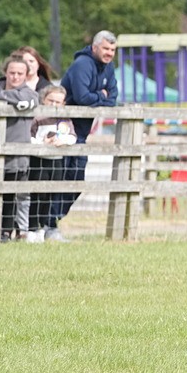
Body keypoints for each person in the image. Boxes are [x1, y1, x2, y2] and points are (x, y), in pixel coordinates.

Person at [58, 30, 118, 221]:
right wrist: (101, 95)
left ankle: (53, 220)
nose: (109, 53)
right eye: (106, 49)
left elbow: (113, 98)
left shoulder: (108, 67)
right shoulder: (82, 64)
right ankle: (47, 222)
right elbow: (81, 97)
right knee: (60, 179)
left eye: (112, 50)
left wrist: (100, 98)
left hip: (82, 134)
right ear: (94, 47)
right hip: (63, 130)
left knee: (77, 180)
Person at [0, 55, 41, 241]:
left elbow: (24, 103)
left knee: (9, 194)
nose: (15, 77)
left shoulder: (30, 94)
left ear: (26, 75)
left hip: (16, 155)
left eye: (20, 73)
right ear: (5, 72)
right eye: (12, 72)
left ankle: (5, 231)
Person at [28, 84, 76, 242]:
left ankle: (42, 229)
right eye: (51, 100)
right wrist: (42, 144)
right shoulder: (37, 117)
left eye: (58, 102)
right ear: (43, 100)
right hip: (39, 161)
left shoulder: (65, 120)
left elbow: (72, 137)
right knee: (37, 195)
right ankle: (31, 229)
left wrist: (63, 141)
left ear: (63, 104)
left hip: (56, 161)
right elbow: (28, 137)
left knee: (50, 195)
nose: (54, 105)